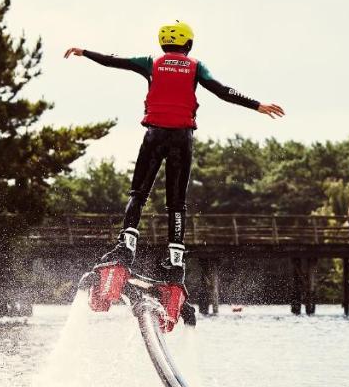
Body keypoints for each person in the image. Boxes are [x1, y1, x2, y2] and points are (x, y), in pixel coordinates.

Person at [64, 22, 284, 292]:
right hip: (182, 139)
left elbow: (114, 61)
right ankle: (176, 263)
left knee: (138, 194)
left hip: (155, 135)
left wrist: (84, 52)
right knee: (177, 203)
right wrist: (257, 104)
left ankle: (126, 247)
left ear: (162, 43)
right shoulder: (195, 67)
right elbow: (222, 90)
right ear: (188, 43)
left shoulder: (151, 63)